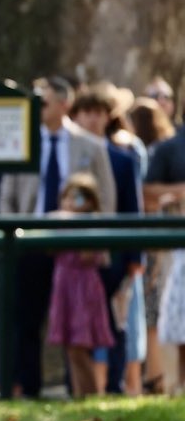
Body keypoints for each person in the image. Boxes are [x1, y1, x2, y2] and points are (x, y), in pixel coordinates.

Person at [0, 75, 115, 398]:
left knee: (75, 324)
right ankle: (29, 390)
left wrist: (96, 243)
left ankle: (77, 391)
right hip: (31, 243)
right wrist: (15, 236)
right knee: (27, 319)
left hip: (75, 249)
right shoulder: (22, 143)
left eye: (44, 101)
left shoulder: (89, 145)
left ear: (64, 104)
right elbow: (7, 196)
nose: (38, 108)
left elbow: (106, 197)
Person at [70, 85, 143, 395]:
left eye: (99, 113)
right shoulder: (70, 155)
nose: (93, 119)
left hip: (112, 252)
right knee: (74, 319)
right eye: (87, 112)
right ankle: (78, 385)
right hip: (74, 254)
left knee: (114, 320)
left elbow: (132, 210)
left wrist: (134, 258)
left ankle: (114, 384)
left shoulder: (123, 160)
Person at [45, 174, 113, 396]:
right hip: (63, 286)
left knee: (79, 346)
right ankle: (79, 395)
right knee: (70, 348)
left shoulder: (93, 224)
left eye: (78, 197)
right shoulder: (58, 222)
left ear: (90, 201)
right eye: (67, 196)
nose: (71, 202)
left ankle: (91, 394)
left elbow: (95, 257)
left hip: (84, 289)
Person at [127, 96, 176, 393]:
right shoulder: (160, 150)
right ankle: (154, 377)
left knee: (155, 309)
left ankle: (156, 377)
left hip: (156, 241)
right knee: (150, 310)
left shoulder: (155, 152)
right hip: (153, 238)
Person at [143, 113, 185, 394]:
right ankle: (178, 384)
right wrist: (180, 191)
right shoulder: (171, 148)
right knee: (179, 322)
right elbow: (148, 189)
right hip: (178, 249)